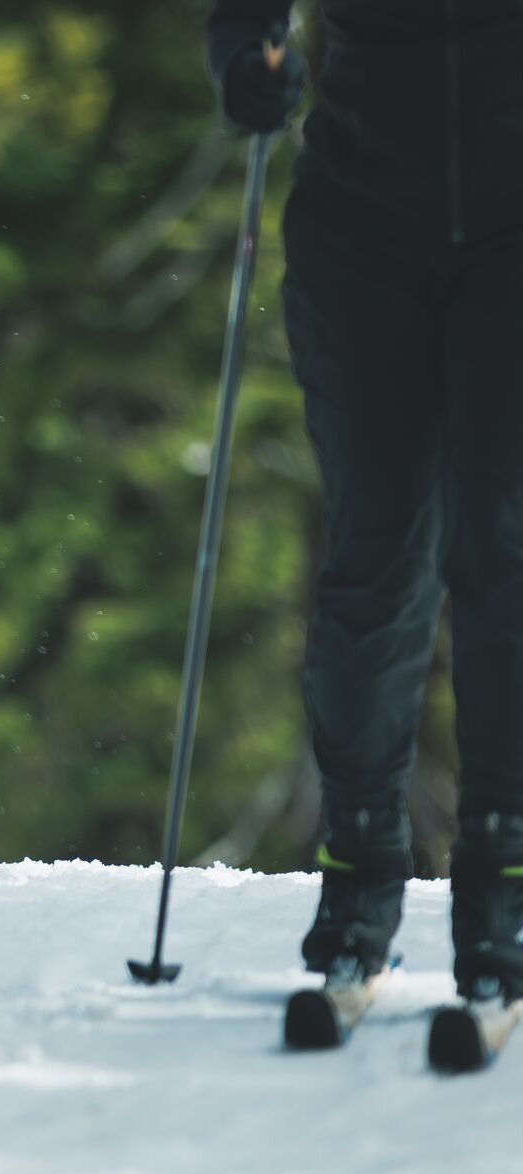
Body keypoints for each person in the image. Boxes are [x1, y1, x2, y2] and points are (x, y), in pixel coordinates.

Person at [207, 0, 523, 1000]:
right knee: (374, 568)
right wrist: (243, 57)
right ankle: (359, 874)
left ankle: (504, 880)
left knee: (505, 564)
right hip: (360, 228)